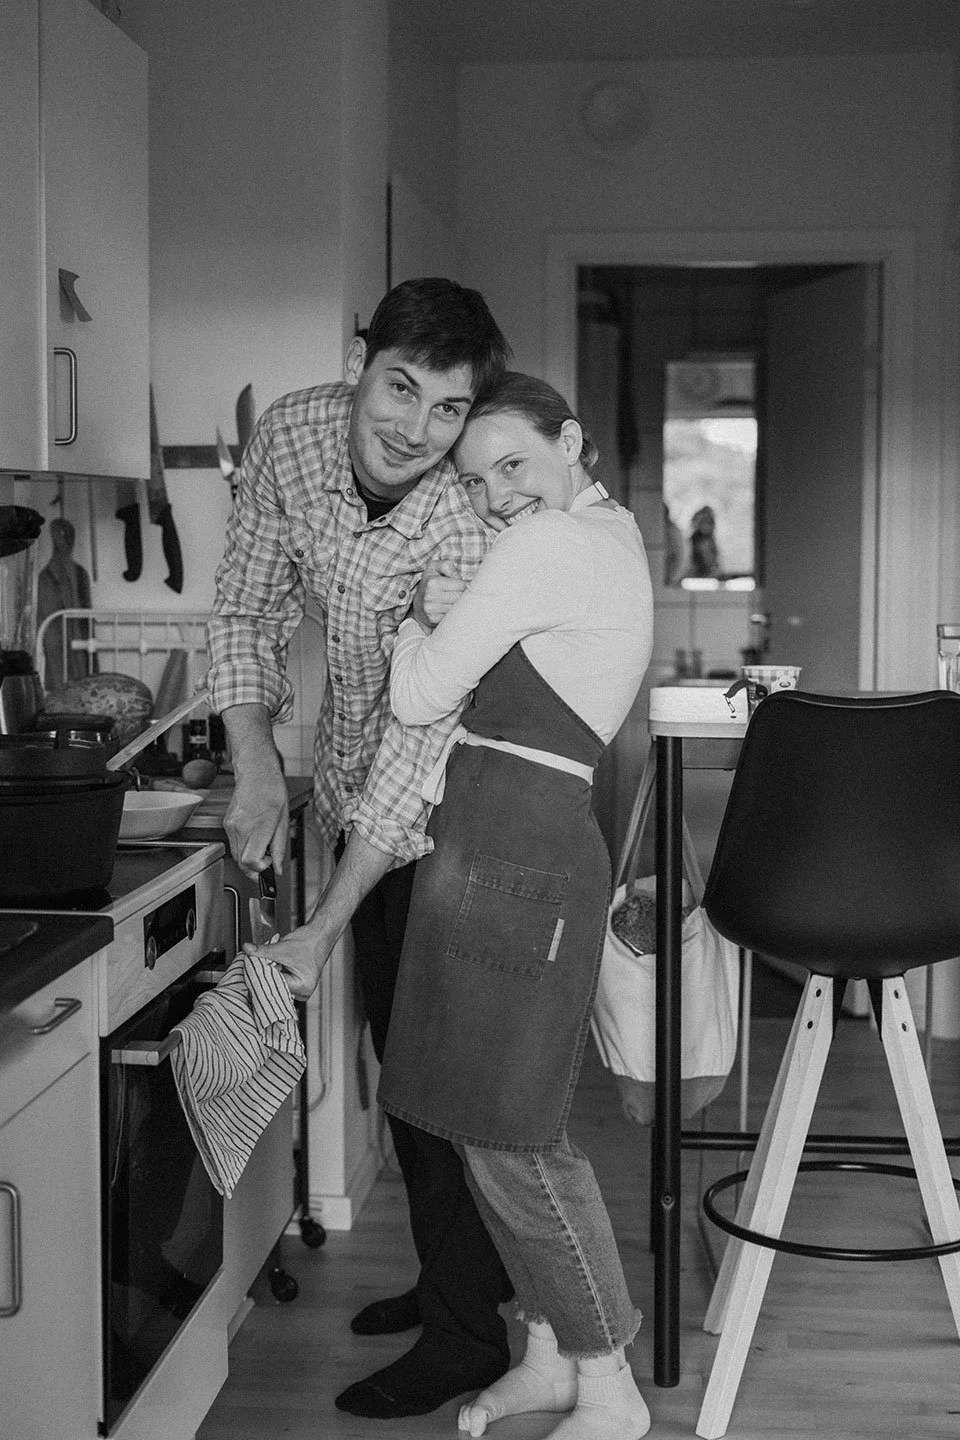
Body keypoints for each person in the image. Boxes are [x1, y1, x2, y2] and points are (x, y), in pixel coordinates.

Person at [253, 372, 655, 1439]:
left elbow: (423, 694)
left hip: (517, 856)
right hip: (489, 846)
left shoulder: (554, 546)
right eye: (476, 483)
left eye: (513, 465)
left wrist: (411, 628)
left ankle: (608, 1382)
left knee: (518, 1140)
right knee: (476, 1132)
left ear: (570, 441)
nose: (496, 499)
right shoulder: (601, 534)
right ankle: (544, 1350)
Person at [206, 277, 516, 1419]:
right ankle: (455, 1288)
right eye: (402, 389)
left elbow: (423, 739)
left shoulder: (462, 517)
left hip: (452, 806)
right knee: (401, 1055)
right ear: (359, 361)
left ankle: (469, 1333)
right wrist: (251, 766)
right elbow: (244, 607)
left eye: (448, 409)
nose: (418, 430)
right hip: (350, 791)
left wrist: (324, 924)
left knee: (439, 1080)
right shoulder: (290, 435)